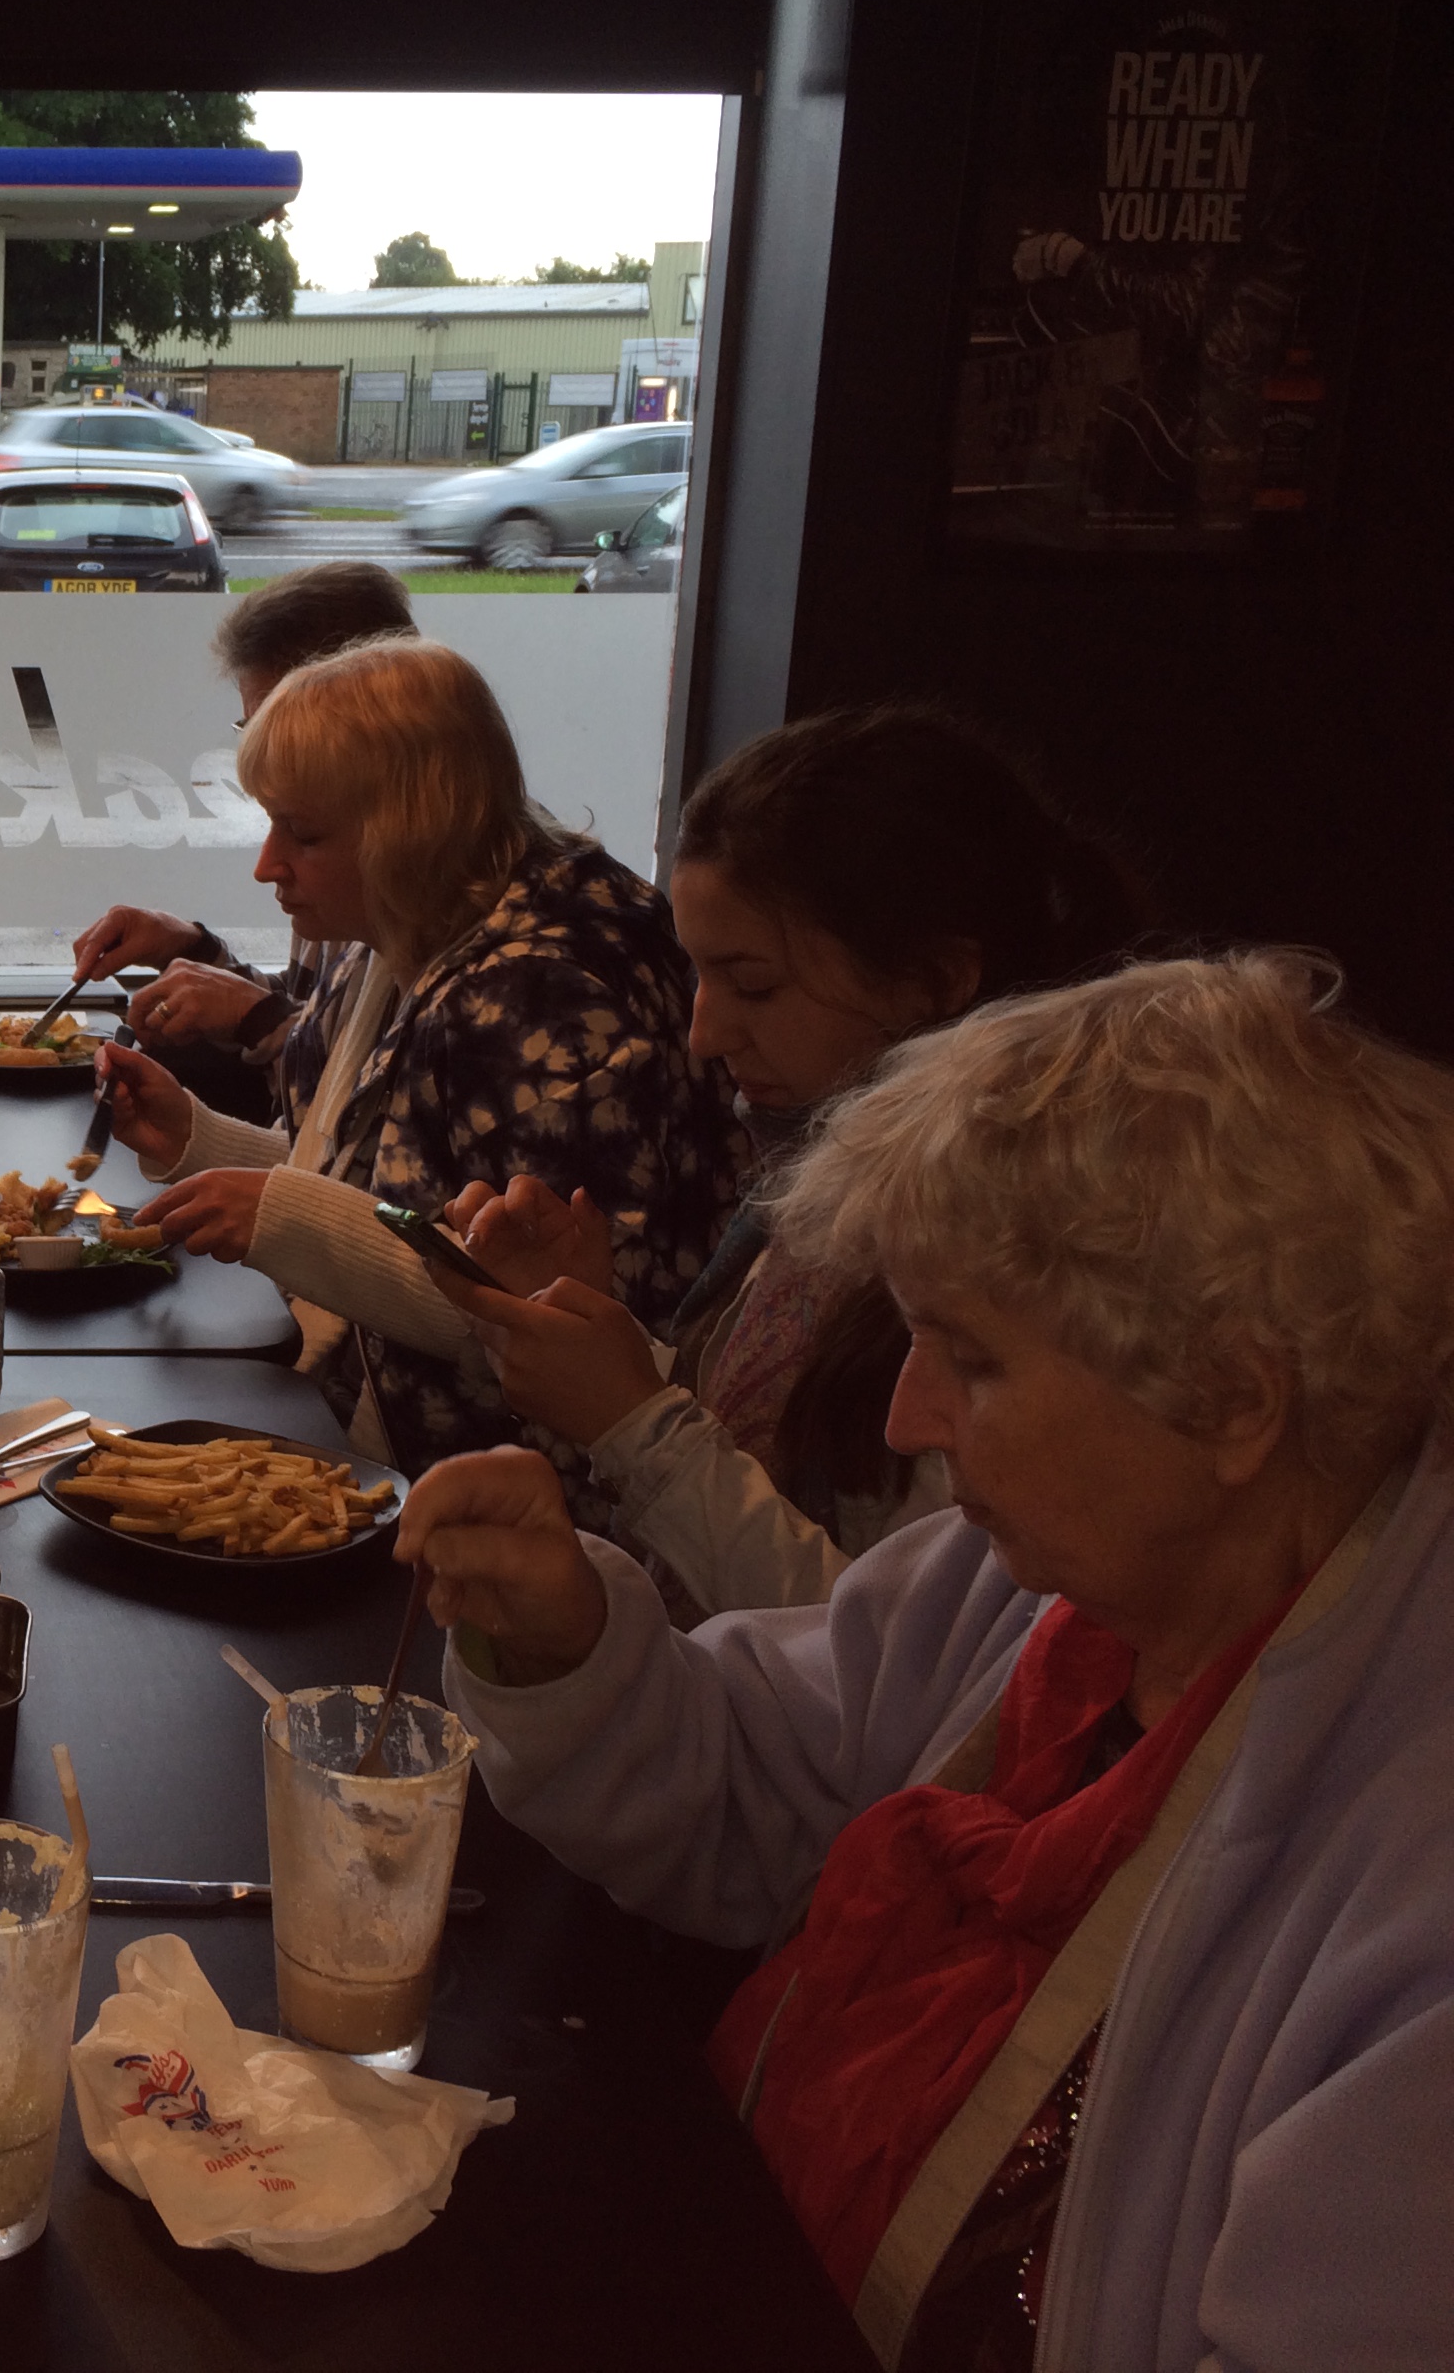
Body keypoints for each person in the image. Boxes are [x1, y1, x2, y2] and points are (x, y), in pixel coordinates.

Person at [399, 953, 1454, 2370]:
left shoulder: (1412, 1884)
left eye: (973, 1359)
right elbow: (755, 1794)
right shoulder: (1046, 1586)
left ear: (1233, 1401)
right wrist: (568, 1646)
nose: (907, 1417)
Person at [432, 706, 1143, 1615]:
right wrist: (589, 1329)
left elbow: (900, 1652)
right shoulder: (823, 1165)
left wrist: (634, 1425)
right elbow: (756, 1428)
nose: (704, 1033)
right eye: (699, 975)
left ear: (934, 981)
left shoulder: (1027, 1254)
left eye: (754, 985)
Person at [102, 634, 743, 1495]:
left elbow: (537, 1312)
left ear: (409, 828)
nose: (266, 865)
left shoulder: (540, 994)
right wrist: (201, 1139)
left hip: (526, 1499)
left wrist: (284, 1219)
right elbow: (390, 1181)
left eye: (303, 834)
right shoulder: (416, 917)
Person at [64, 561, 421, 1123]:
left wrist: (256, 1015)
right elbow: (320, 1019)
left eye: (271, 726)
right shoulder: (340, 844)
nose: (266, 866)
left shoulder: (410, 874)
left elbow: (365, 1112)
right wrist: (190, 951)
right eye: (249, 729)